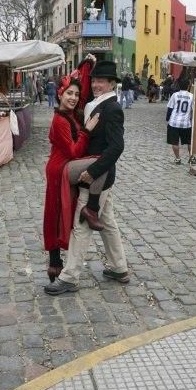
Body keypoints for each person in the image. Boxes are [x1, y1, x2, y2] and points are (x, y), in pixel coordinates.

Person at [46, 60, 129, 295]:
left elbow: (116, 147)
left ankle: (69, 277)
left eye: (101, 81)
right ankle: (118, 267)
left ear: (112, 83)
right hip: (99, 176)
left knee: (82, 225)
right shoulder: (95, 105)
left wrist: (92, 172)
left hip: (96, 176)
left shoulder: (112, 109)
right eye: (93, 80)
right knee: (108, 222)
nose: (95, 84)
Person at [42, 77, 101, 282]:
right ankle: (54, 262)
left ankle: (57, 260)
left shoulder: (71, 115)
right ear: (60, 94)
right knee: (55, 212)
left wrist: (87, 64)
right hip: (59, 169)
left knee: (62, 212)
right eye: (69, 93)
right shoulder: (60, 120)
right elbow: (74, 152)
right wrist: (87, 130)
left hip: (65, 166)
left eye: (76, 94)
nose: (74, 98)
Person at [166, 80, 196, 165]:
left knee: (174, 142)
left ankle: (178, 158)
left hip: (174, 123)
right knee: (190, 142)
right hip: (186, 124)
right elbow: (194, 110)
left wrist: (167, 119)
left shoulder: (175, 95)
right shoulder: (192, 96)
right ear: (188, 86)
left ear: (179, 86)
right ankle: (191, 157)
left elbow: (170, 108)